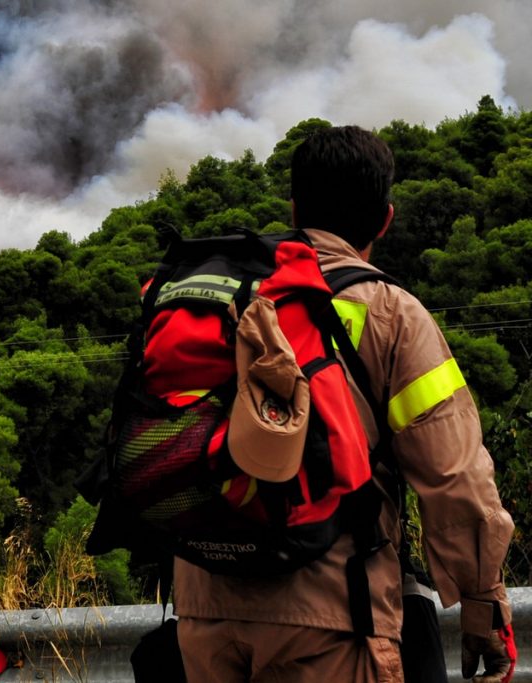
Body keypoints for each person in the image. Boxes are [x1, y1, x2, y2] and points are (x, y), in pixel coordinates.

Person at [174, 125, 517, 682]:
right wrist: (483, 605)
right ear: (385, 218)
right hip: (331, 612)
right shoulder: (390, 313)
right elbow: (454, 477)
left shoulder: (226, 300)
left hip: (203, 609)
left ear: (293, 207)